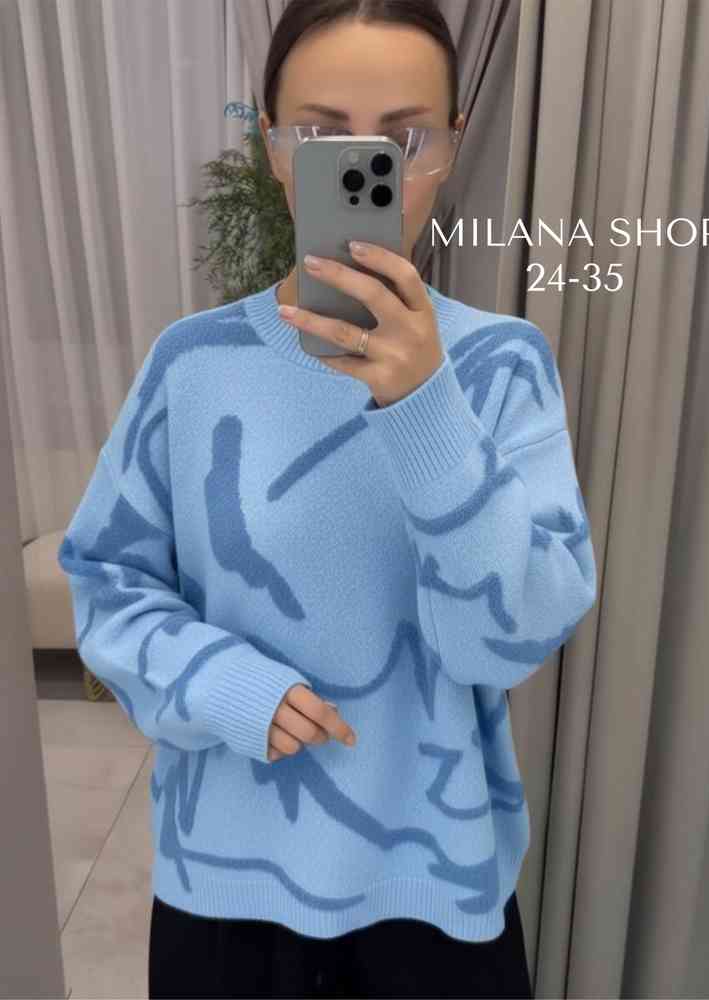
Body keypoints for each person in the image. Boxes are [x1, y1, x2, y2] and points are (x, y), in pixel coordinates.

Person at [58, 1, 597, 997]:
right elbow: (103, 582)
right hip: (226, 885)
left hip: (435, 890)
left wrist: (425, 406)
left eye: (404, 138)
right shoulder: (192, 364)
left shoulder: (502, 366)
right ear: (273, 149)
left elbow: (508, 643)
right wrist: (222, 683)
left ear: (449, 147)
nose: (364, 168)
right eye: (319, 134)